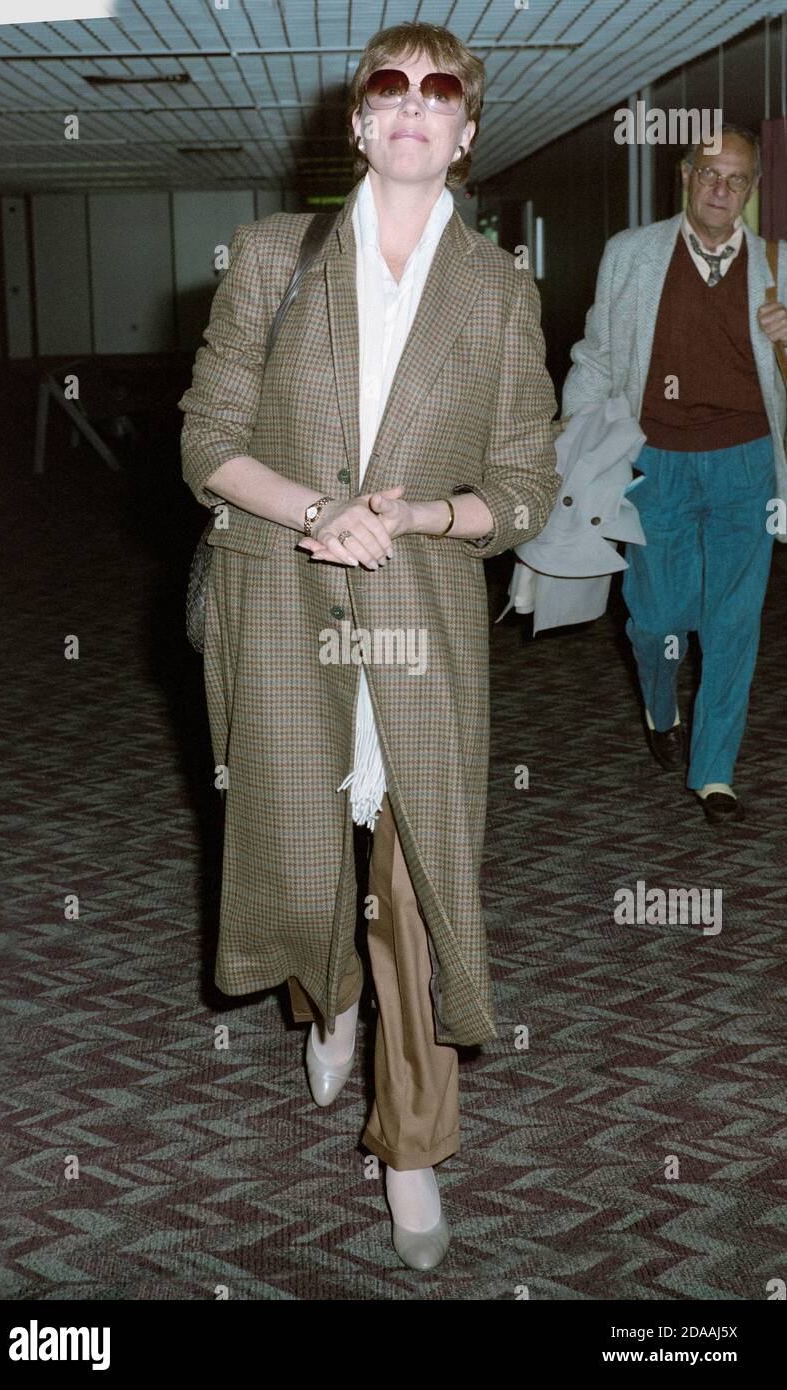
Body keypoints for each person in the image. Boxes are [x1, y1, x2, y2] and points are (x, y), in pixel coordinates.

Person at [178, 19, 558, 1271]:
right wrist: (314, 512)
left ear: (463, 131)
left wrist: (425, 514)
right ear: (357, 125)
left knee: (418, 890)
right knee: (300, 854)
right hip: (282, 608)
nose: (412, 104)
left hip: (423, 633)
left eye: (438, 90)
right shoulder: (275, 258)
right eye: (387, 87)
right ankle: (321, 994)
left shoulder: (501, 295)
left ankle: (411, 1149)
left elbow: (524, 491)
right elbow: (206, 438)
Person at [562, 125, 787, 825]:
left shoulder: (780, 264)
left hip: (749, 462)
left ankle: (714, 770)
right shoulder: (630, 255)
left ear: (752, 191)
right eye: (709, 173)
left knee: (732, 621)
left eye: (738, 178)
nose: (722, 189)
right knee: (659, 615)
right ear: (685, 175)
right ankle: (661, 707)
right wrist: (573, 442)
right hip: (654, 459)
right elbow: (598, 356)